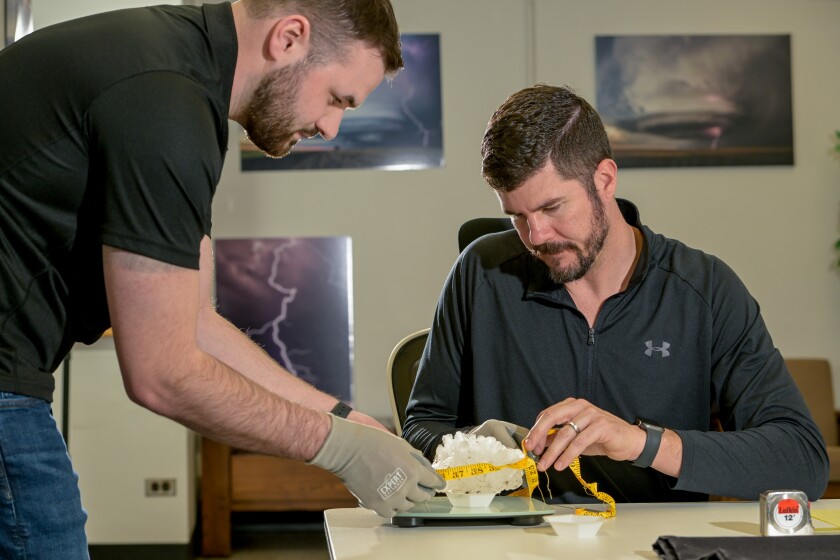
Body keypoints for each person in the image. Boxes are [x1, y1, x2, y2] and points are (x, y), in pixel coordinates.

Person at [0, 1, 444, 557]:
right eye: (336, 99)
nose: (330, 127)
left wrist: (351, 423)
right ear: (288, 37)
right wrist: (339, 449)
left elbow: (197, 323)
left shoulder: (176, 74)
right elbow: (162, 373)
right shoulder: (165, 100)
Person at [402, 84, 829, 505]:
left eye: (552, 208)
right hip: (513, 543)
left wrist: (640, 443)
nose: (536, 236)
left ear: (604, 179)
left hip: (653, 546)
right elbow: (422, 426)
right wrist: (488, 452)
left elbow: (801, 461)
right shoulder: (481, 274)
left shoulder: (705, 290)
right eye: (517, 216)